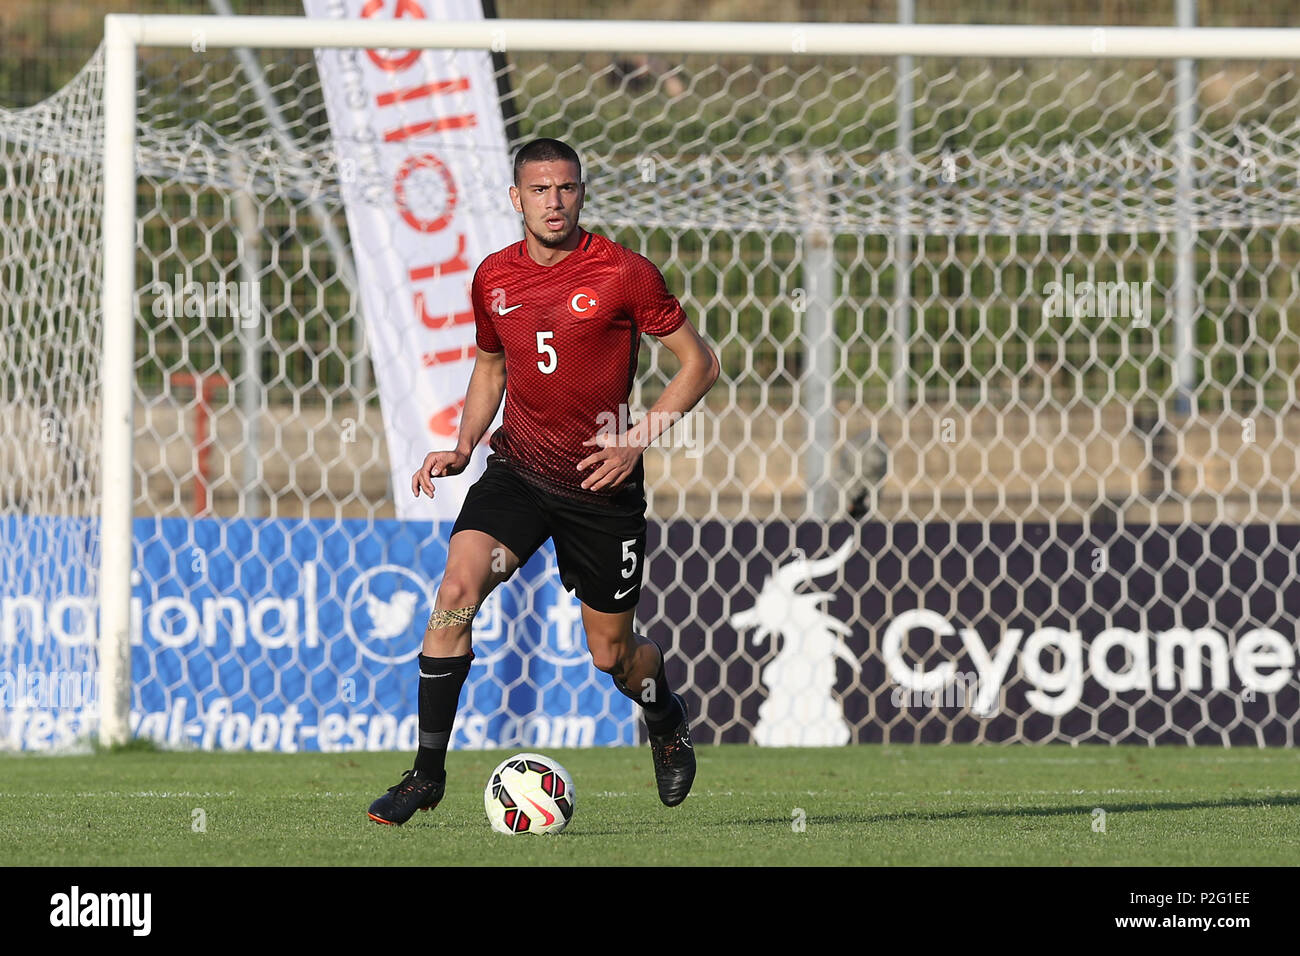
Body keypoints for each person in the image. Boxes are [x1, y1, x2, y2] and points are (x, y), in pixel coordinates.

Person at [367, 137, 720, 825]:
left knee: (611, 655)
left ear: (581, 193)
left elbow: (699, 363)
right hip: (518, 475)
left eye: (566, 188)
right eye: (539, 190)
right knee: (455, 593)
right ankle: (424, 776)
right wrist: (464, 444)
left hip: (600, 489)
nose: (554, 201)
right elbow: (491, 367)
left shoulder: (624, 272)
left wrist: (635, 440)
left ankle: (666, 717)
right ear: (516, 198)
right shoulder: (494, 277)